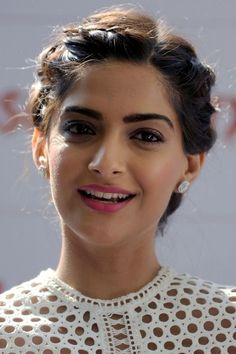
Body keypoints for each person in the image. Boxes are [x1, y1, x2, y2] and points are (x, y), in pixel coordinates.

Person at [0, 6, 235, 354]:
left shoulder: (226, 328)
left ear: (190, 164)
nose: (105, 163)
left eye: (146, 136)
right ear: (40, 148)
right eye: (80, 128)